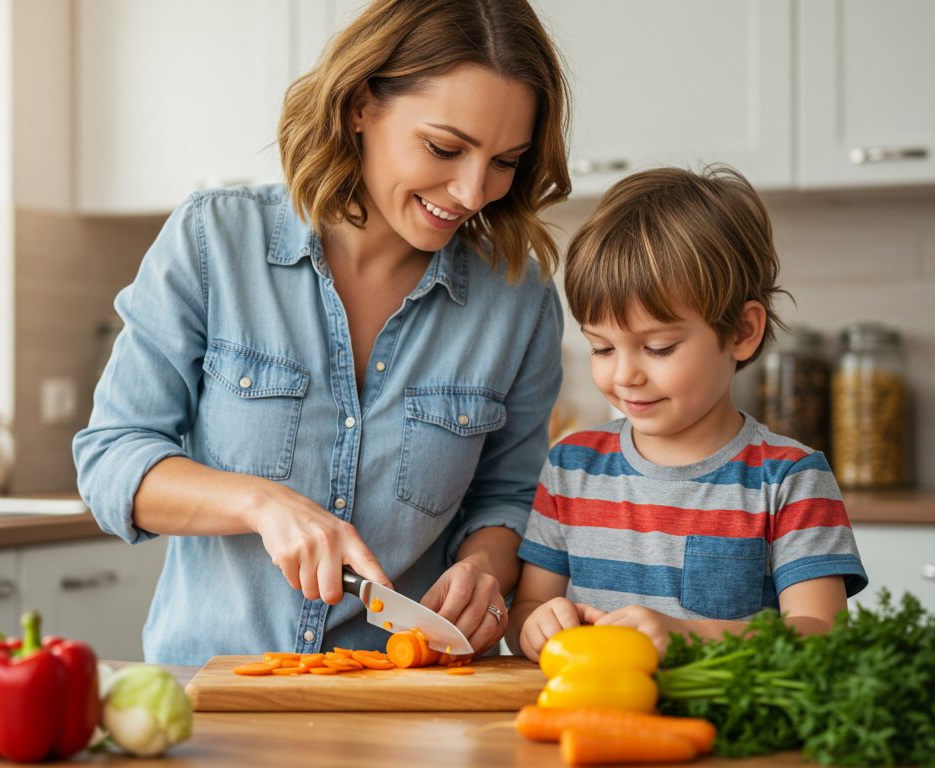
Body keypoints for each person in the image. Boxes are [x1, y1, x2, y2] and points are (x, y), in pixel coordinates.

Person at [73, 0, 571, 666]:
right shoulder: (214, 242)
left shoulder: (518, 300)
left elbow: (509, 496)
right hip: (215, 696)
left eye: (505, 161)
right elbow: (111, 459)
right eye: (445, 148)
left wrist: (487, 566)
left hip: (405, 702)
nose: (473, 190)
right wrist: (259, 502)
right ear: (362, 105)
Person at [507, 166, 868, 661]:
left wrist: (686, 636)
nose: (625, 375)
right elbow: (528, 609)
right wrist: (538, 625)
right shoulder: (571, 467)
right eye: (602, 348)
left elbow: (822, 637)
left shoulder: (790, 480)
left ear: (742, 332)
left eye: (657, 348)